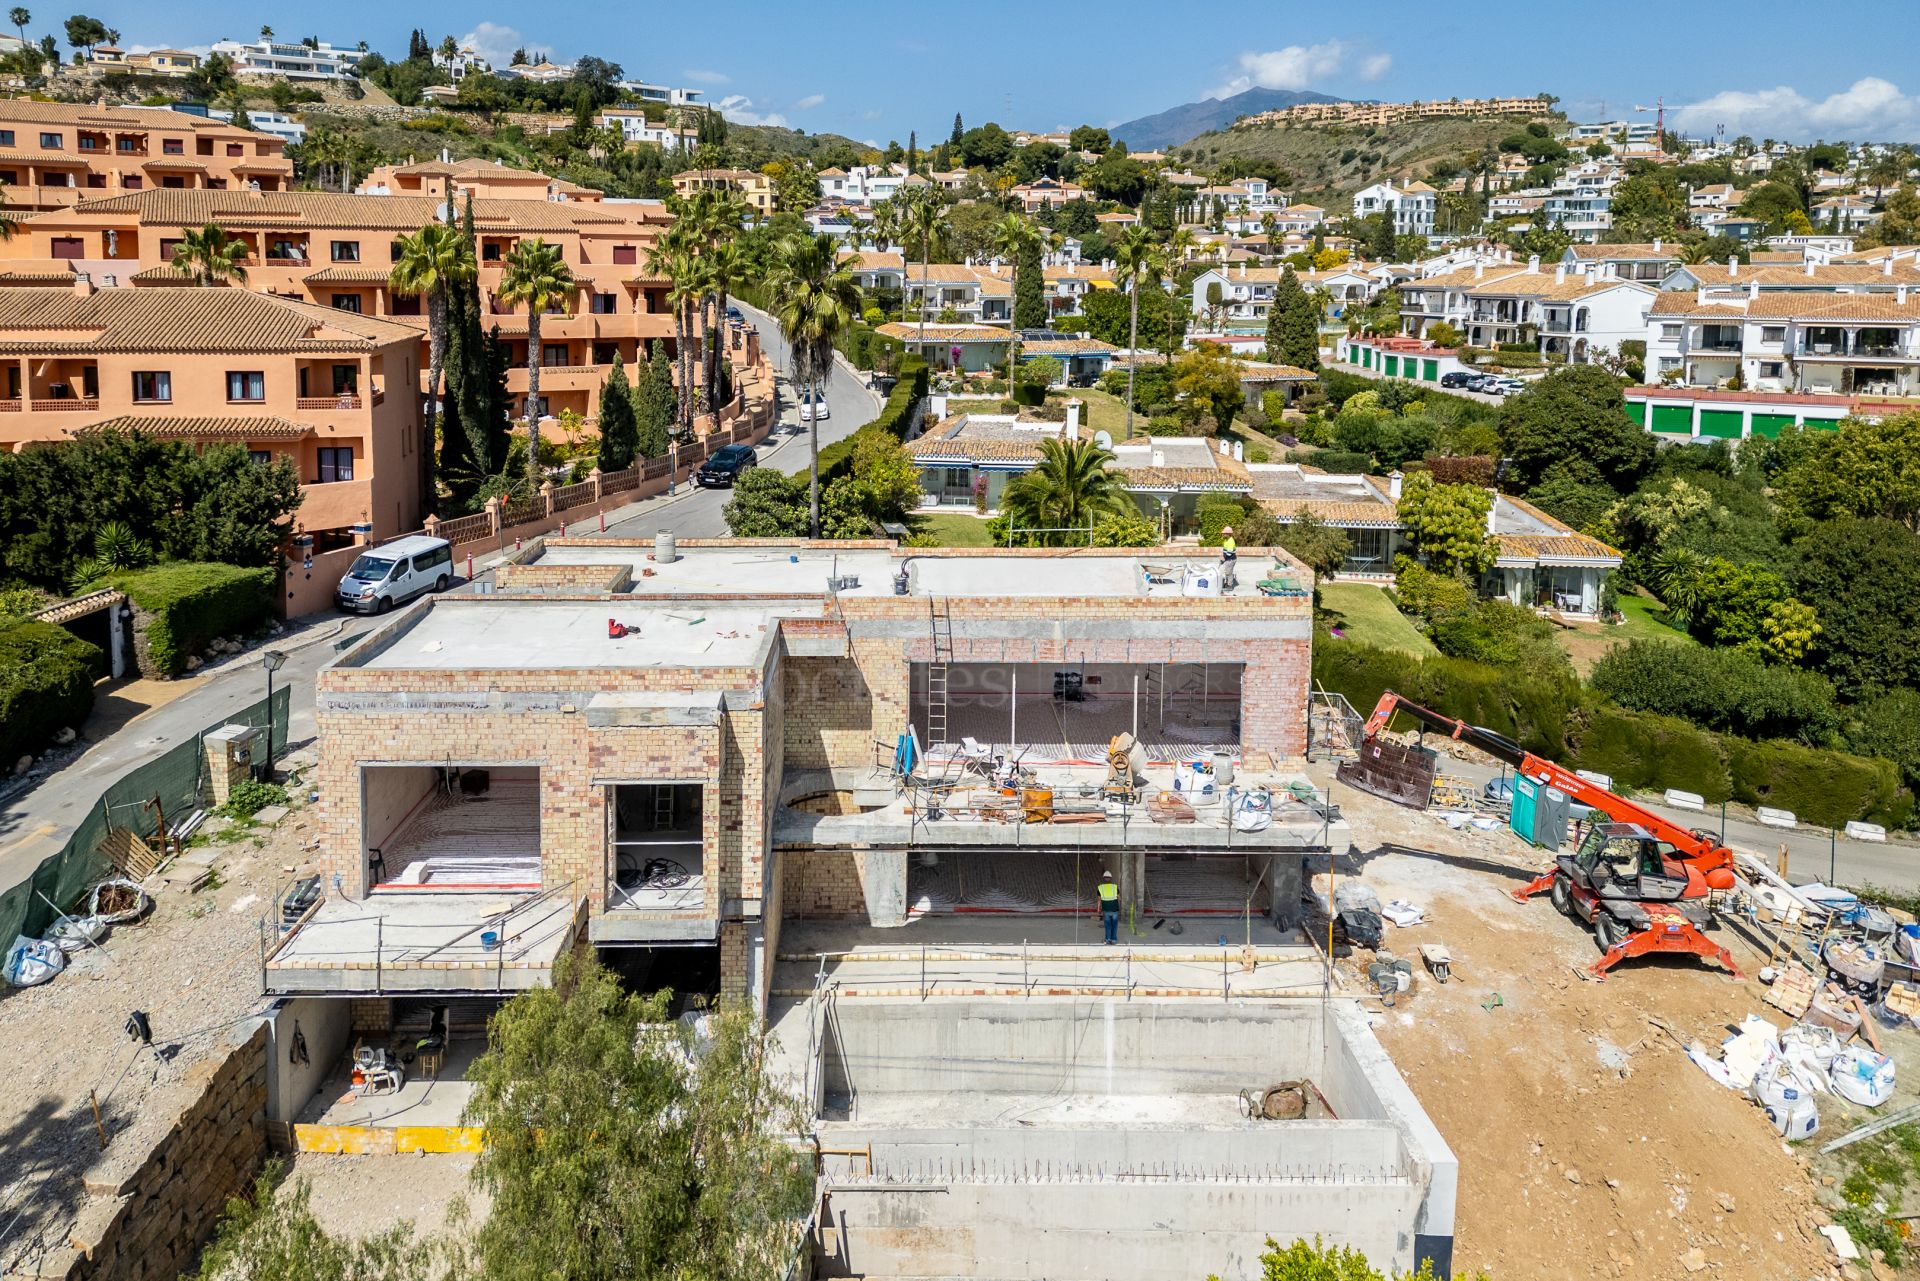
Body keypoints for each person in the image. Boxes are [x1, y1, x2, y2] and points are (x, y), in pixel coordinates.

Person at [1097, 871, 1119, 945]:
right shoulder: (1115, 887)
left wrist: (1098, 909)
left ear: (1103, 878)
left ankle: (1107, 939)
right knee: (1114, 925)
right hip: (1114, 909)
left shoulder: (1100, 887)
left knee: (1108, 925)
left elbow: (1099, 900)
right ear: (1111, 878)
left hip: (1106, 909)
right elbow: (1119, 898)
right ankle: (1114, 940)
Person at [1219, 524, 1238, 589]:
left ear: (1228, 534)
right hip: (1228, 559)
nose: (1223, 534)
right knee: (1226, 571)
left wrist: (1224, 558)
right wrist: (1223, 555)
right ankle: (1227, 583)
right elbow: (1225, 550)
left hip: (1230, 559)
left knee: (1229, 572)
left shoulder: (1230, 541)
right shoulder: (1226, 540)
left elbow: (1229, 553)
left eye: (1224, 533)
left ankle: (1230, 586)